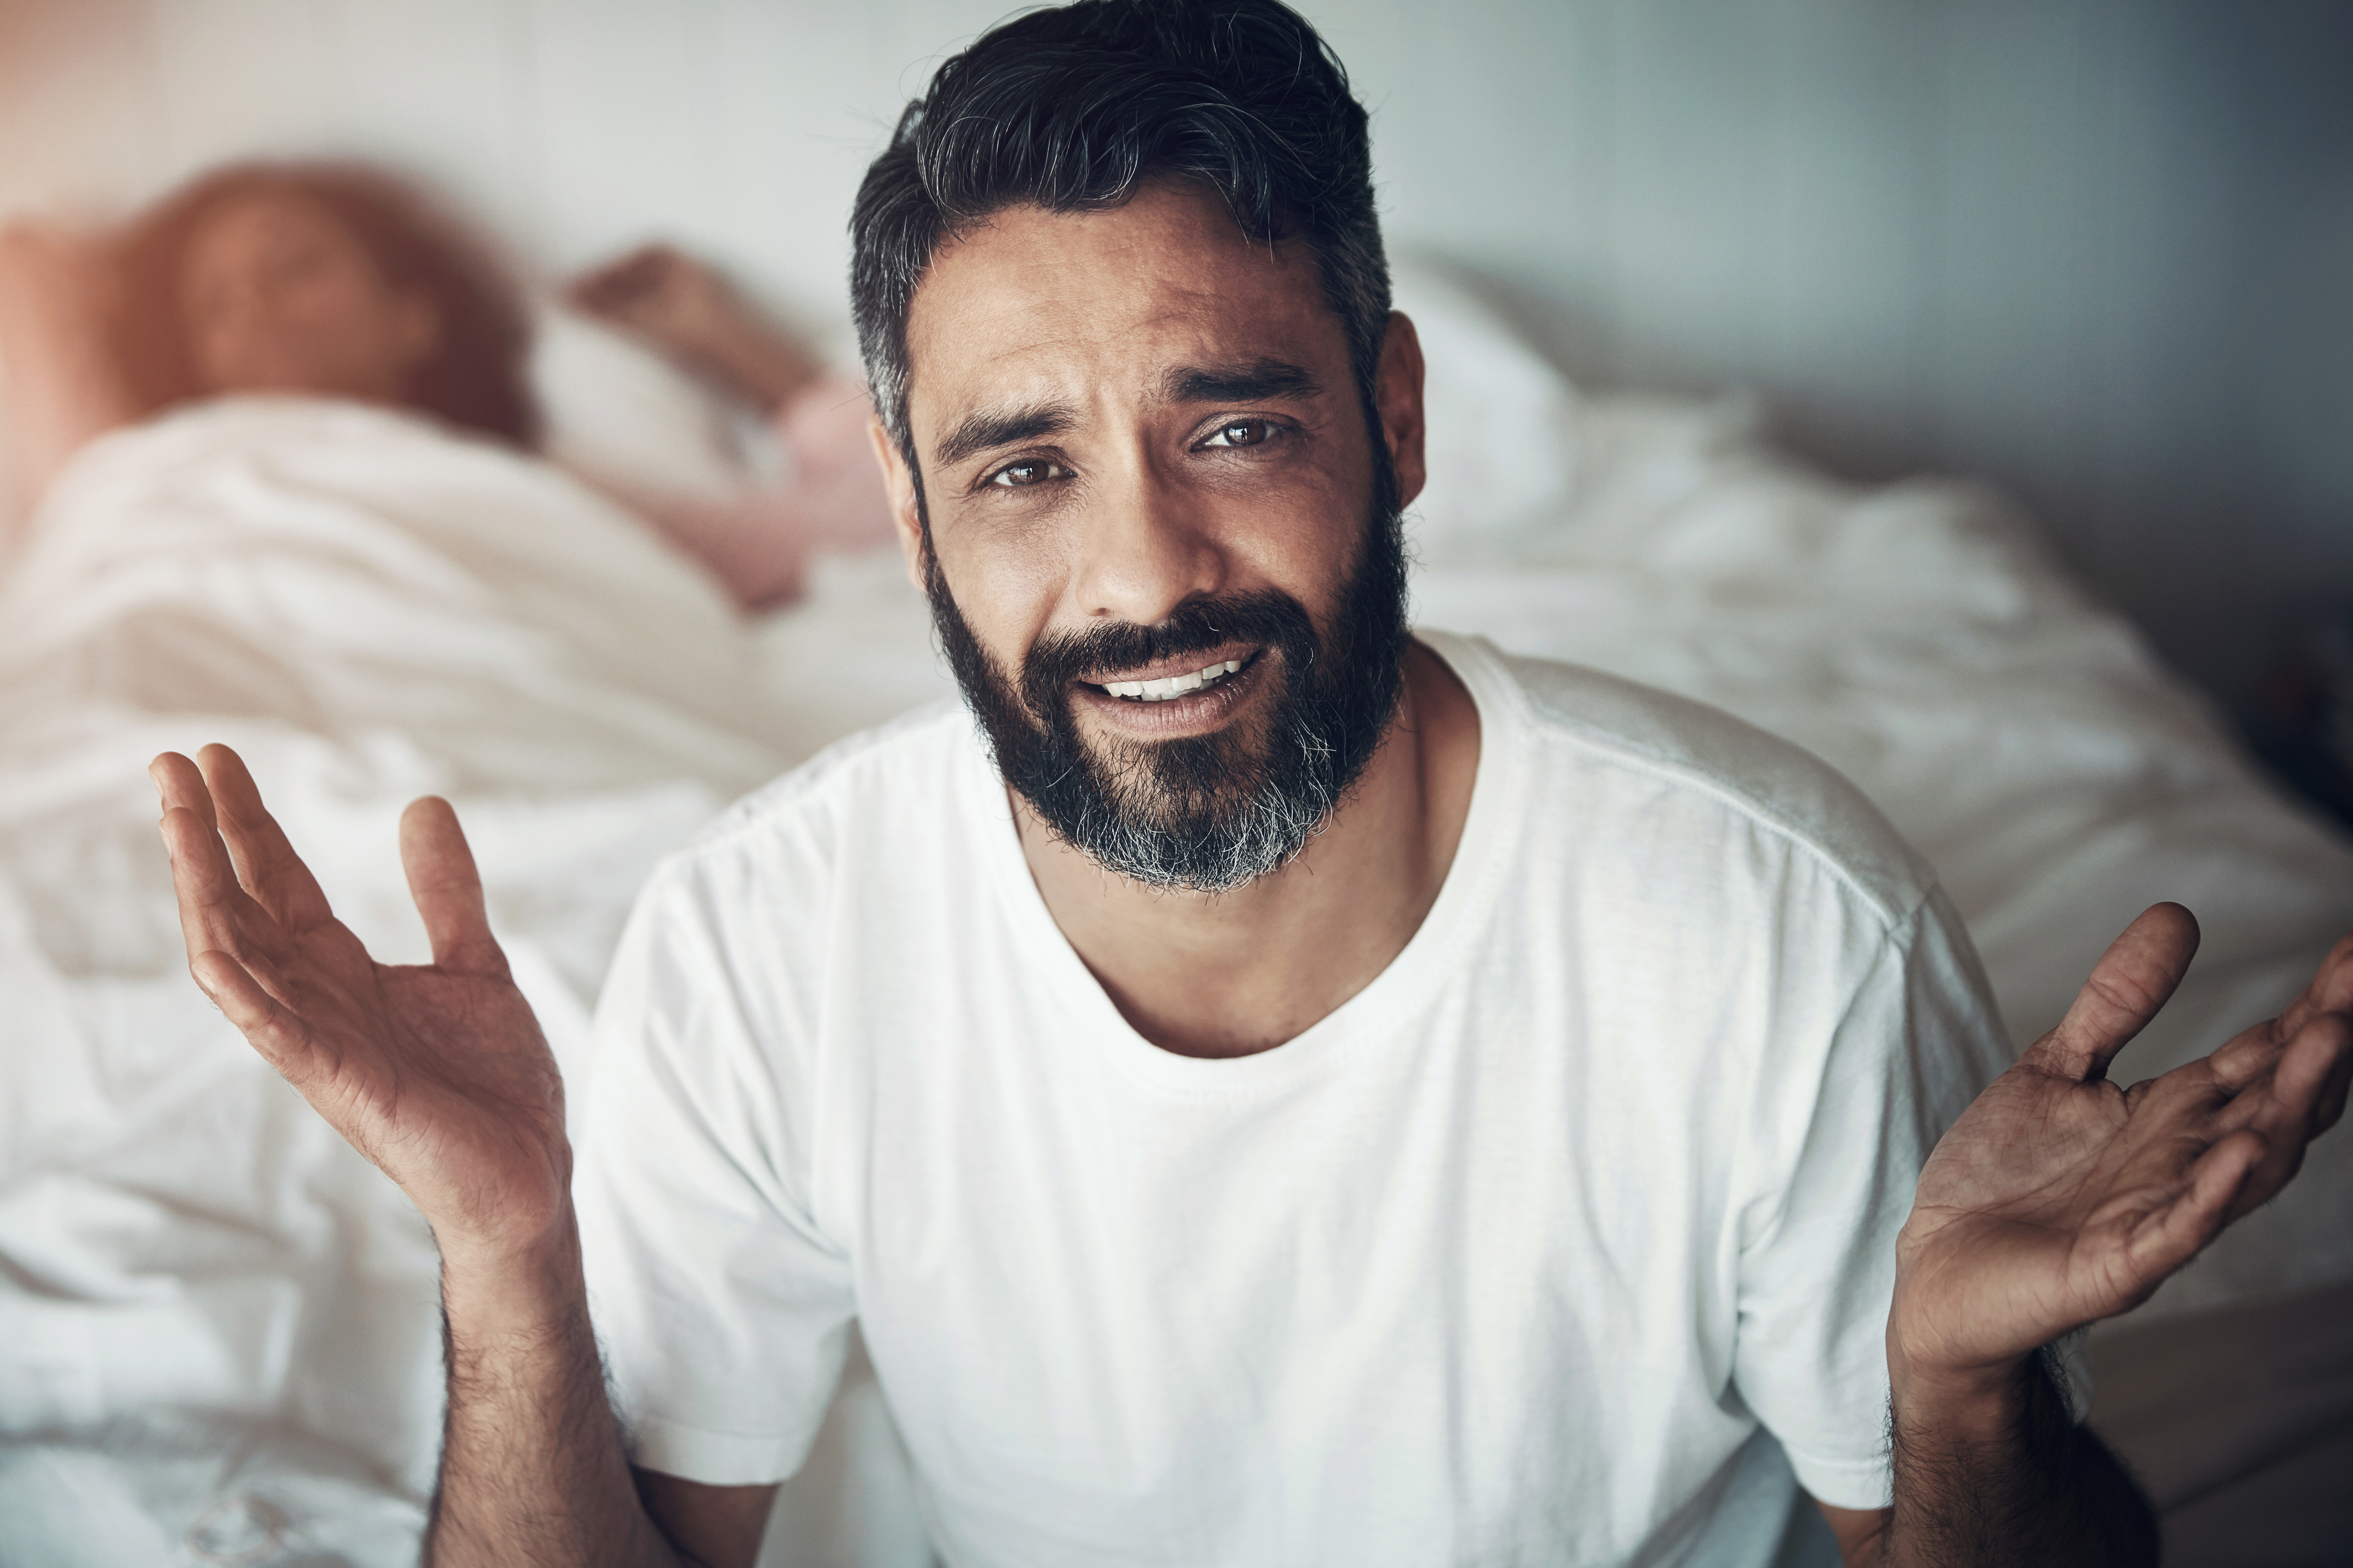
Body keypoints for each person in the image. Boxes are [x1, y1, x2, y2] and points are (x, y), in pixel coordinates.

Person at [147, 2, 2352, 1564]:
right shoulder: (762, 942)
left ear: (1396, 417)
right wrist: (509, 1251)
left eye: (1234, 427)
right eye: (1024, 468)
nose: (1146, 575)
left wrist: (1960, 1398)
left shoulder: (1782, 931)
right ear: (908, 517)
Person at [0, 162, 885, 607]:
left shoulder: (529, 490)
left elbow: (871, 512)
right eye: (215, 304)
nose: (254, 310)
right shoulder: (155, 488)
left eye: (293, 267)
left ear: (410, 320)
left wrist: (722, 338)